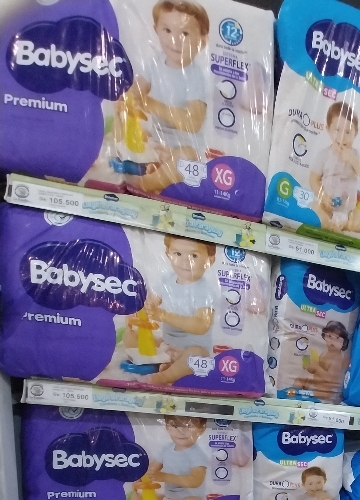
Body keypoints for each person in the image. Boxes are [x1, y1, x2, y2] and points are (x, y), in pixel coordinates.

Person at [121, 0, 210, 194]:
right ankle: (146, 167)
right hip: (157, 142)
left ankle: (145, 183)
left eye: (185, 34)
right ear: (156, 30)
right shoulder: (156, 62)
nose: (174, 40)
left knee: (187, 158)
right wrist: (129, 102)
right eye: (167, 30)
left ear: (202, 41)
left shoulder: (195, 76)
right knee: (126, 128)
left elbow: (193, 122)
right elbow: (135, 92)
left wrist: (151, 104)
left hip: (184, 148)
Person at [123, 236, 217, 386]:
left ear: (210, 260)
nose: (185, 261)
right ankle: (166, 363)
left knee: (197, 356)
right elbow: (149, 304)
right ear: (168, 254)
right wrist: (137, 314)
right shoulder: (166, 280)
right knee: (130, 337)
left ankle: (165, 376)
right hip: (166, 344)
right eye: (178, 254)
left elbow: (201, 325)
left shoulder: (205, 291)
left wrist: (163, 315)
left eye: (194, 256)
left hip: (192, 349)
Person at [132, 415, 208, 500]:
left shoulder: (197, 455)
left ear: (201, 429)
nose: (181, 431)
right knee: (138, 498)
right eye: (175, 426)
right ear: (167, 427)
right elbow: (152, 471)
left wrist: (165, 477)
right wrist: (142, 479)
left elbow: (195, 481)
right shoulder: (166, 449)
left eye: (189, 426)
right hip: (168, 499)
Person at [310, 102, 360, 234]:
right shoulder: (324, 154)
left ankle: (346, 225)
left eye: (348, 132)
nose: (342, 136)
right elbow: (313, 179)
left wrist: (351, 158)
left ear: (356, 133)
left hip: (349, 211)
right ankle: (328, 223)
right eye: (337, 130)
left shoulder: (355, 155)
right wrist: (323, 196)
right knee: (313, 208)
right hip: (327, 207)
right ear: (328, 129)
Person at [293, 321, 350, 402]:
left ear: (344, 342)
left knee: (315, 390)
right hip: (316, 383)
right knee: (300, 379)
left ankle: (302, 398)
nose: (333, 341)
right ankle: (293, 396)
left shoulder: (337, 359)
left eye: (337, 338)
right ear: (324, 336)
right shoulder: (324, 353)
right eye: (329, 336)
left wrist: (317, 367)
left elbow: (330, 379)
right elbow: (316, 370)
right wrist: (310, 367)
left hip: (326, 390)